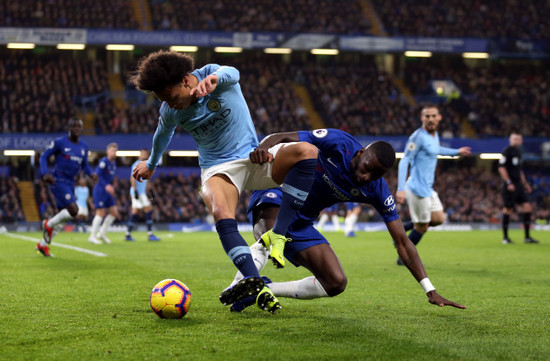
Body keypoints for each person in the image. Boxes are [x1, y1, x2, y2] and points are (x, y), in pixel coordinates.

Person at [128, 50, 319, 313]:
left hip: (253, 159)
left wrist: (215, 78)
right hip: (218, 168)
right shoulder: (170, 110)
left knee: (307, 152)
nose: (170, 105)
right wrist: (150, 165)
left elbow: (233, 73)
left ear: (186, 81)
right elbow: (162, 135)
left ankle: (287, 228)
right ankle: (254, 281)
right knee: (220, 210)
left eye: (171, 98)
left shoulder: (213, 75)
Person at [226, 128, 465, 312]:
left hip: (303, 221)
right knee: (273, 228)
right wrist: (262, 147)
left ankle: (262, 287)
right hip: (278, 194)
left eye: (375, 175)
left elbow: (402, 241)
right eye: (366, 168)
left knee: (335, 282)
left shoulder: (376, 190)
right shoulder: (338, 142)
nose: (366, 177)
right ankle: (247, 279)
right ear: (361, 153)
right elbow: (282, 136)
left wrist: (429, 289)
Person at [396, 104, 471, 265]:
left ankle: (403, 228)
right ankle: (403, 256)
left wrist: (456, 152)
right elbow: (405, 160)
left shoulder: (433, 135)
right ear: (422, 118)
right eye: (427, 116)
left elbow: (436, 149)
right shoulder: (417, 137)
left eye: (433, 116)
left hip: (428, 189)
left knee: (438, 219)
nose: (431, 119)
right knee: (422, 228)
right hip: (416, 189)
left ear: (439, 118)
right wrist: (400, 188)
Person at [37, 118, 96, 257]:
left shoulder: (83, 147)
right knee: (74, 210)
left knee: (62, 218)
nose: (76, 128)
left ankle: (42, 245)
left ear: (81, 129)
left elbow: (85, 165)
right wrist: (45, 174)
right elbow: (43, 157)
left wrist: (91, 174)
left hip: (70, 184)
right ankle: (48, 224)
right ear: (69, 128)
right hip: (58, 181)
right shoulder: (59, 142)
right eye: (73, 126)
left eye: (78, 126)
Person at [498, 130, 539, 244]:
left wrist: (525, 184)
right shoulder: (507, 152)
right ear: (510, 140)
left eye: (518, 139)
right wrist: (508, 182)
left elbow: (519, 170)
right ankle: (505, 238)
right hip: (510, 185)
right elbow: (501, 168)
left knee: (527, 208)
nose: (516, 141)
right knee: (508, 209)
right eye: (514, 139)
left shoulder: (519, 152)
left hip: (519, 185)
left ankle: (527, 237)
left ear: (521, 141)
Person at [125, 149, 160, 242]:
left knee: (141, 210)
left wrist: (149, 191)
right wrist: (135, 191)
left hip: (142, 193)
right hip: (137, 192)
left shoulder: (147, 165)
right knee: (139, 211)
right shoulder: (136, 164)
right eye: (142, 153)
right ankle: (148, 234)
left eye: (144, 153)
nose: (143, 155)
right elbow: (132, 179)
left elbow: (146, 180)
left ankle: (129, 234)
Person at [89, 143, 119, 245]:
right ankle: (92, 236)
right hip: (100, 190)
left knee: (114, 213)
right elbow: (97, 175)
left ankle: (102, 233)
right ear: (107, 152)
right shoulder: (103, 162)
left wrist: (111, 186)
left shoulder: (113, 163)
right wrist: (106, 185)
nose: (114, 153)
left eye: (115, 151)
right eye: (112, 150)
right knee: (100, 213)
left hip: (107, 191)